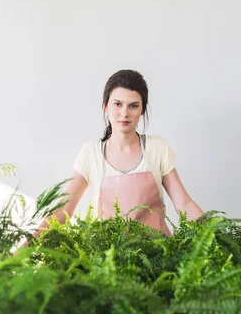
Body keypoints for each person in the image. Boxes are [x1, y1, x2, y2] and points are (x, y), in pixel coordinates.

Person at [23, 69, 203, 245]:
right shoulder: (90, 153)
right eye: (118, 104)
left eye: (133, 106)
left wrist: (218, 238)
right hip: (106, 262)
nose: (124, 113)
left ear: (142, 110)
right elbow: (63, 211)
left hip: (158, 260)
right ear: (105, 106)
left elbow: (184, 204)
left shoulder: (157, 148)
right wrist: (21, 252)